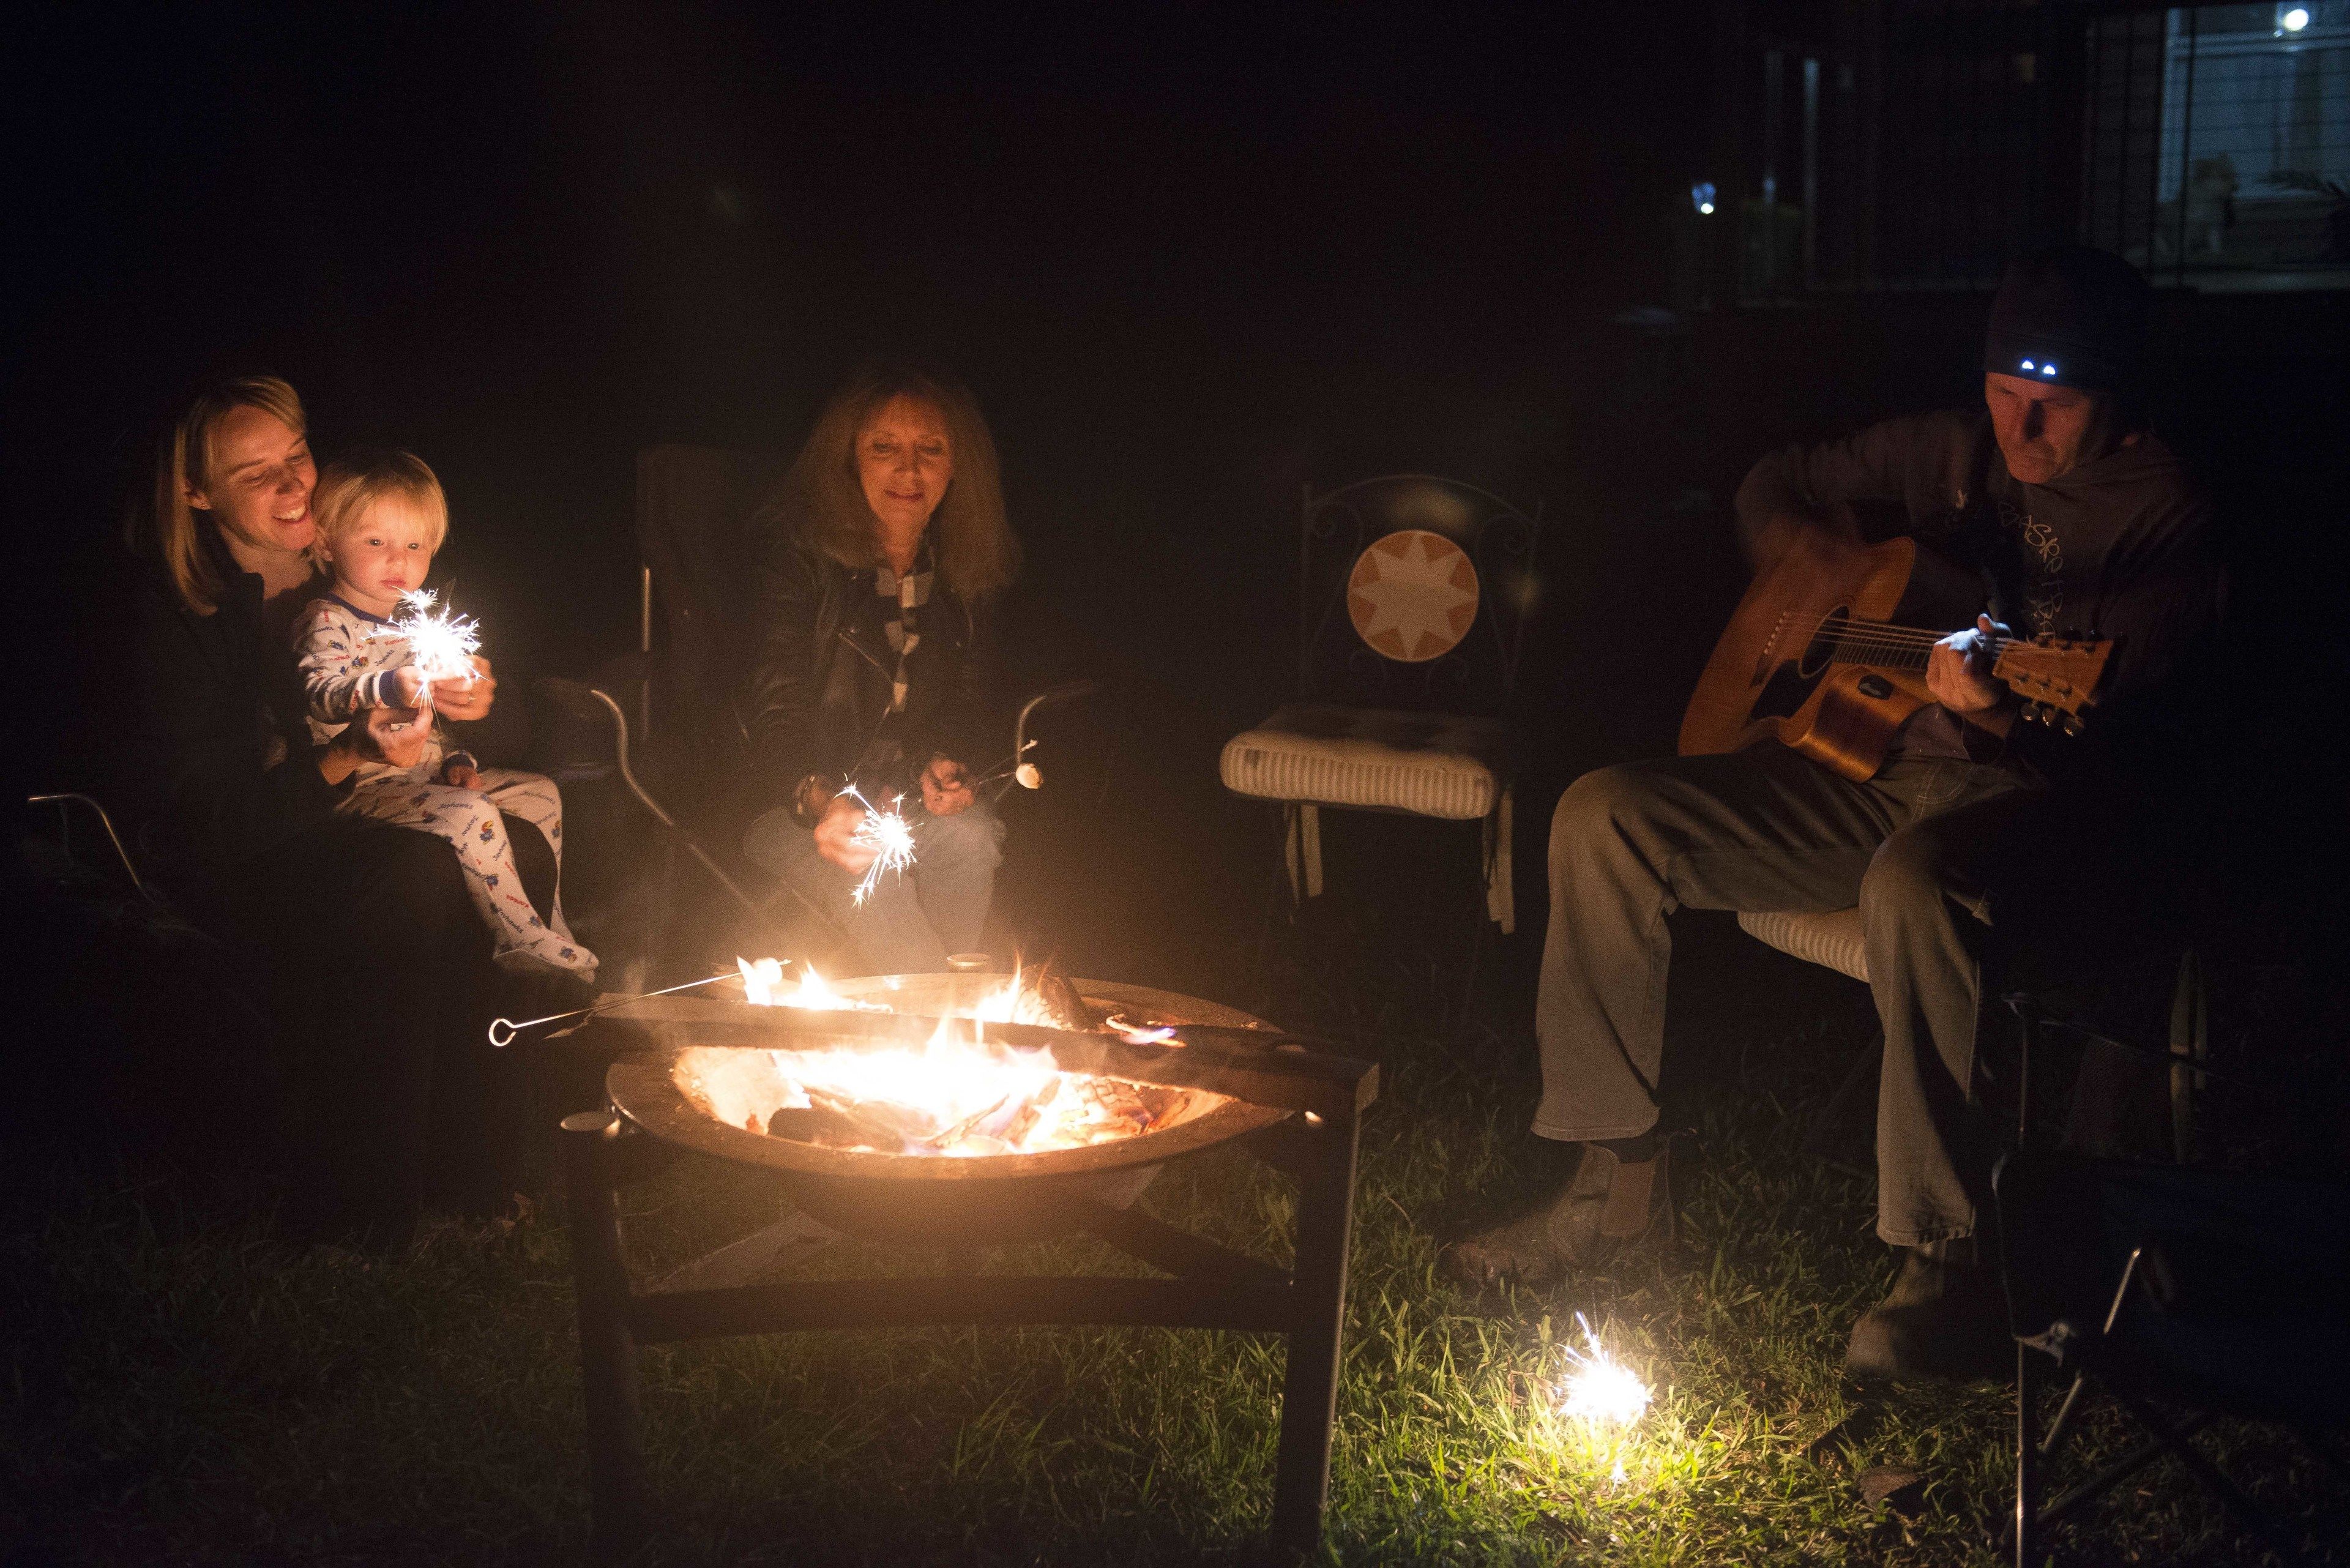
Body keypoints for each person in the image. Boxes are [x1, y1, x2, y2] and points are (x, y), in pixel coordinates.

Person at [1445, 247, 2225, 1382]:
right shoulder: (1955, 451)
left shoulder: (2169, 517)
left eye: (2059, 406)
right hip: (1867, 773)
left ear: (2120, 399)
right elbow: (1775, 478)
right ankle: (1610, 1189)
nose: (2027, 429)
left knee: (1914, 880)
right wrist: (1800, 562)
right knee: (1604, 813)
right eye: (2009, 392)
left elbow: (2141, 728)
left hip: (2033, 801)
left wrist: (2002, 695)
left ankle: (1943, 1265)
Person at [119, 375, 540, 1243]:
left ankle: (480, 1166)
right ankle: (366, 1205)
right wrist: (348, 751)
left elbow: (500, 709)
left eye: (297, 456)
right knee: (418, 880)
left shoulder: (367, 555)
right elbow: (213, 815)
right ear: (197, 493)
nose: (294, 486)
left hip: (377, 812)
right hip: (251, 852)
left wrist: (479, 703)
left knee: (518, 840)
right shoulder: (181, 616)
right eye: (253, 474)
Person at [738, 365, 1020, 973]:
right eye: (885, 448)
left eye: (930, 450)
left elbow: (968, 704)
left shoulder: (964, 568)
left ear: (957, 465)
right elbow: (775, 709)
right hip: (790, 801)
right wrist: (825, 798)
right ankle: (939, 1037)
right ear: (850, 459)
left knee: (973, 838)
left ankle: (928, 1029)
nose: (909, 471)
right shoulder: (798, 560)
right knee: (881, 880)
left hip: (898, 799)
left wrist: (942, 764)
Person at [293, 449, 594, 975]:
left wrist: (461, 757)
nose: (399, 560)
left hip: (420, 774)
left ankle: (550, 923)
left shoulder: (414, 624)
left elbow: (430, 720)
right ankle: (517, 939)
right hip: (361, 784)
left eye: (415, 545)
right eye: (375, 542)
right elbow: (321, 691)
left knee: (540, 792)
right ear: (324, 542)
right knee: (470, 814)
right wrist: (388, 684)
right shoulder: (326, 618)